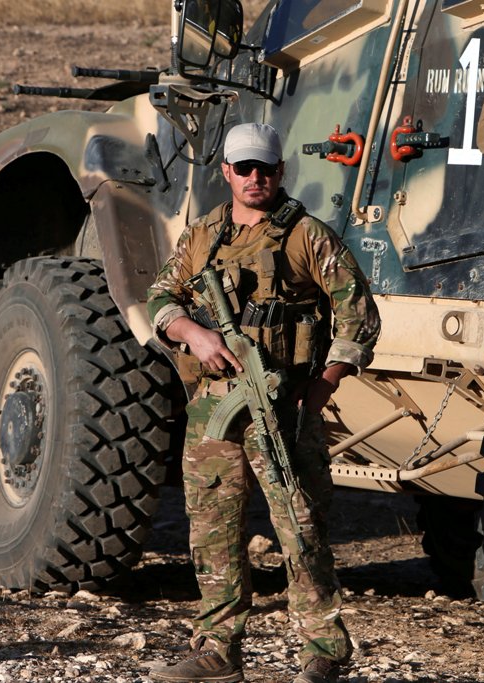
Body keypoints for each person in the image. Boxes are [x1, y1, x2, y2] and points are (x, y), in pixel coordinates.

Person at [145, 122, 381, 683]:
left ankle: (323, 651)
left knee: (300, 530)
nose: (256, 178)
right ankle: (217, 649)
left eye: (266, 169)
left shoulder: (308, 237)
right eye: (244, 168)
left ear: (281, 172)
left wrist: (320, 390)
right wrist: (192, 333)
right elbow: (160, 294)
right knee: (213, 530)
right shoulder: (202, 236)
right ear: (225, 171)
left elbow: (359, 320)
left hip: (286, 406)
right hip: (216, 410)